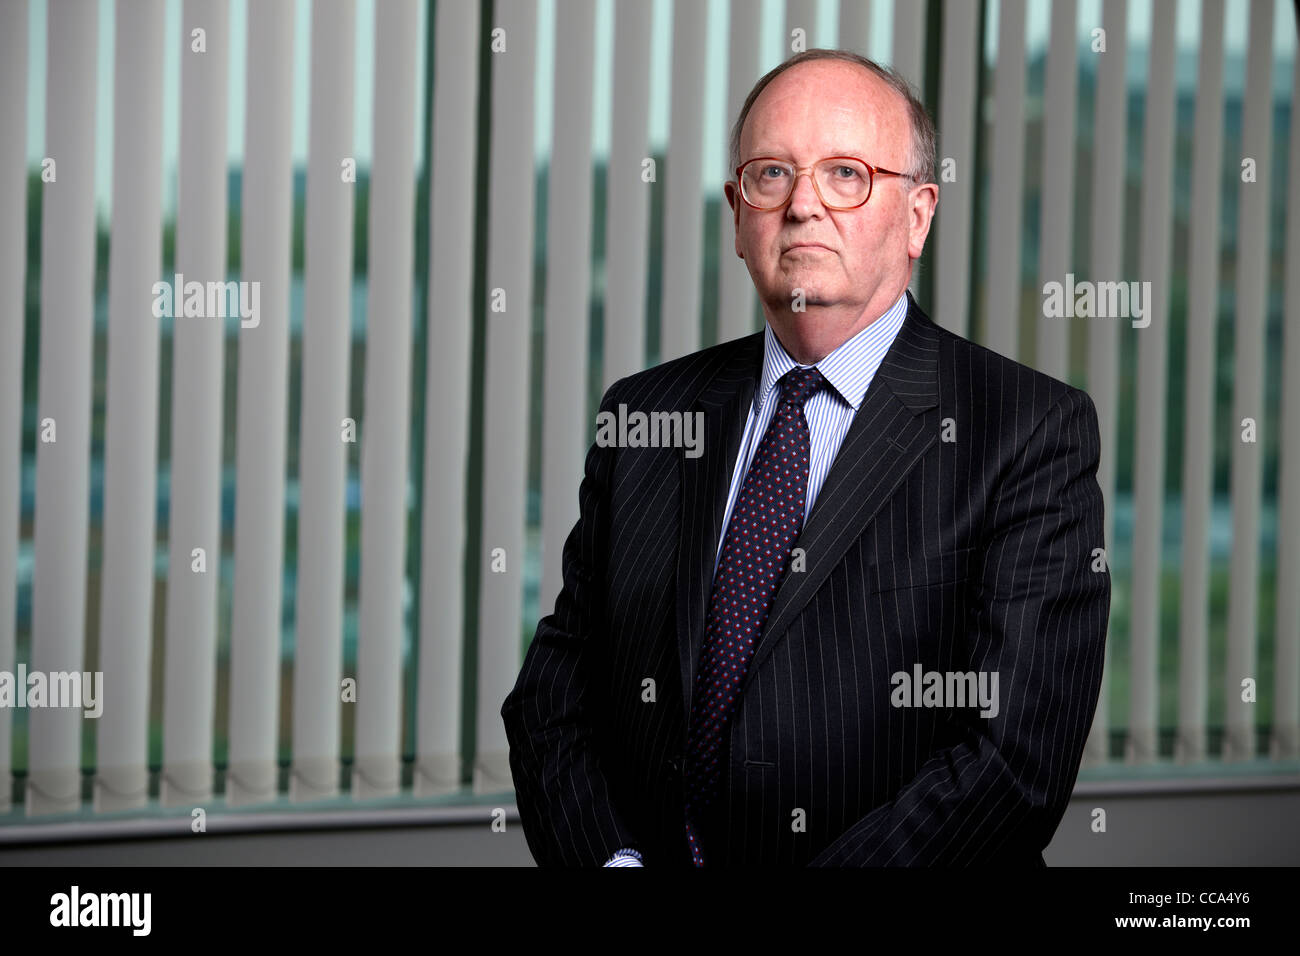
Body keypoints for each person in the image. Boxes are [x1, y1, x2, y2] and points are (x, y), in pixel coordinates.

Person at [501, 48, 1110, 866]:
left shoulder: (1028, 431)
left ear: (918, 215)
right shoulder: (645, 415)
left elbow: (1011, 760)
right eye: (771, 175)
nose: (804, 206)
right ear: (738, 213)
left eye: (848, 175)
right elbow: (554, 699)